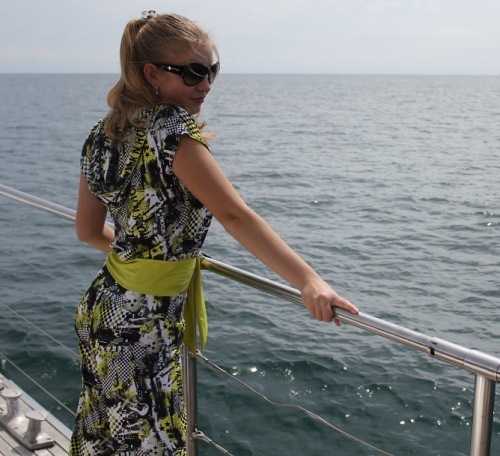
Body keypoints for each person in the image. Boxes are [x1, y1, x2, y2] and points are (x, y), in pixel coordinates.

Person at [71, 10, 359, 455]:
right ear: (151, 73)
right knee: (151, 444)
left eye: (212, 70)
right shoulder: (173, 130)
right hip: (141, 326)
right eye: (192, 72)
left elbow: (87, 231)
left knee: (103, 438)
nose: (205, 84)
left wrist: (148, 262)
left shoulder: (103, 133)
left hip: (103, 308)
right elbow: (234, 215)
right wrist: (309, 281)